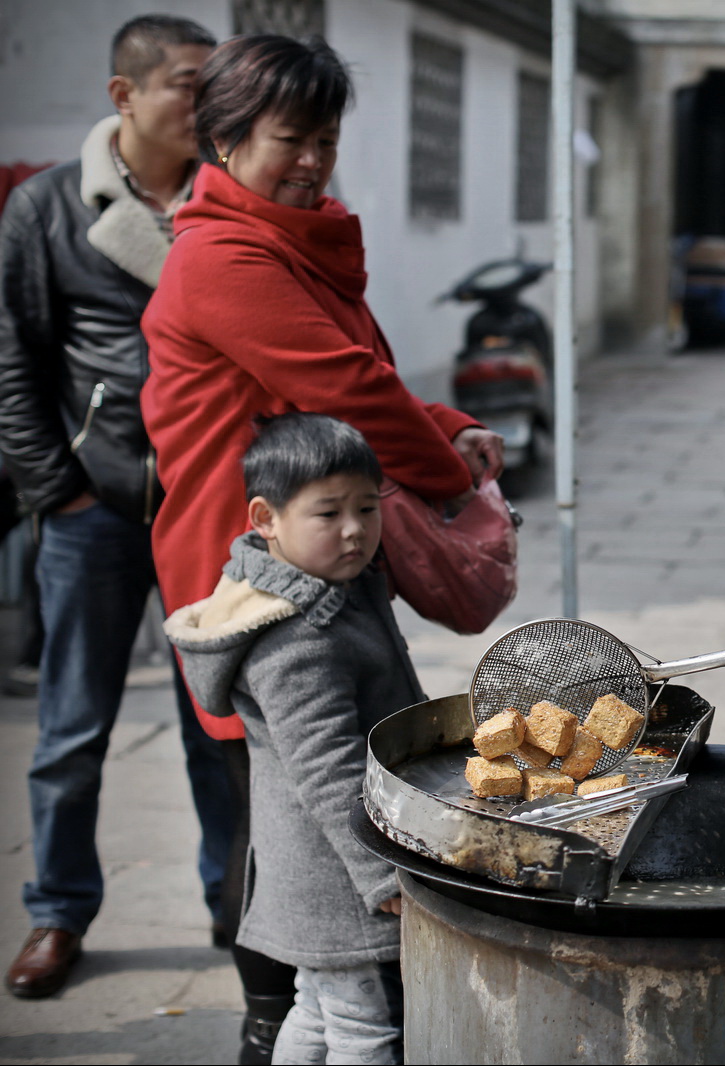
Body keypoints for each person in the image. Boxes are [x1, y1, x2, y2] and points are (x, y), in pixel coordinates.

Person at [140, 34, 500, 1061]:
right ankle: (270, 1015)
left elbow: (356, 367)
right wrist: (443, 477)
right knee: (280, 806)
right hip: (252, 573)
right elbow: (344, 388)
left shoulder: (288, 236)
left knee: (317, 782)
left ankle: (297, 1012)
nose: (311, 161)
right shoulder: (222, 254)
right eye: (289, 140)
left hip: (319, 552)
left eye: (325, 139)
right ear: (223, 137)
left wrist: (437, 422)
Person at [0, 14, 235, 1000]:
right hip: (94, 509)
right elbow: (15, 358)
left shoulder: (237, 195)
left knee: (218, 719)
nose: (208, 103)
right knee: (71, 725)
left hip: (214, 503)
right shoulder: (50, 207)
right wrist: (55, 489)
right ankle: (57, 912)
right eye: (189, 83)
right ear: (123, 96)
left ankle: (241, 904)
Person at [167, 413, 413, 1066]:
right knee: (369, 1027)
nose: (356, 530)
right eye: (328, 513)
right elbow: (327, 771)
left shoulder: (338, 586)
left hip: (320, 864)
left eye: (368, 507)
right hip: (337, 871)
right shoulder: (296, 638)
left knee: (318, 1008)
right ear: (264, 518)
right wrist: (380, 874)